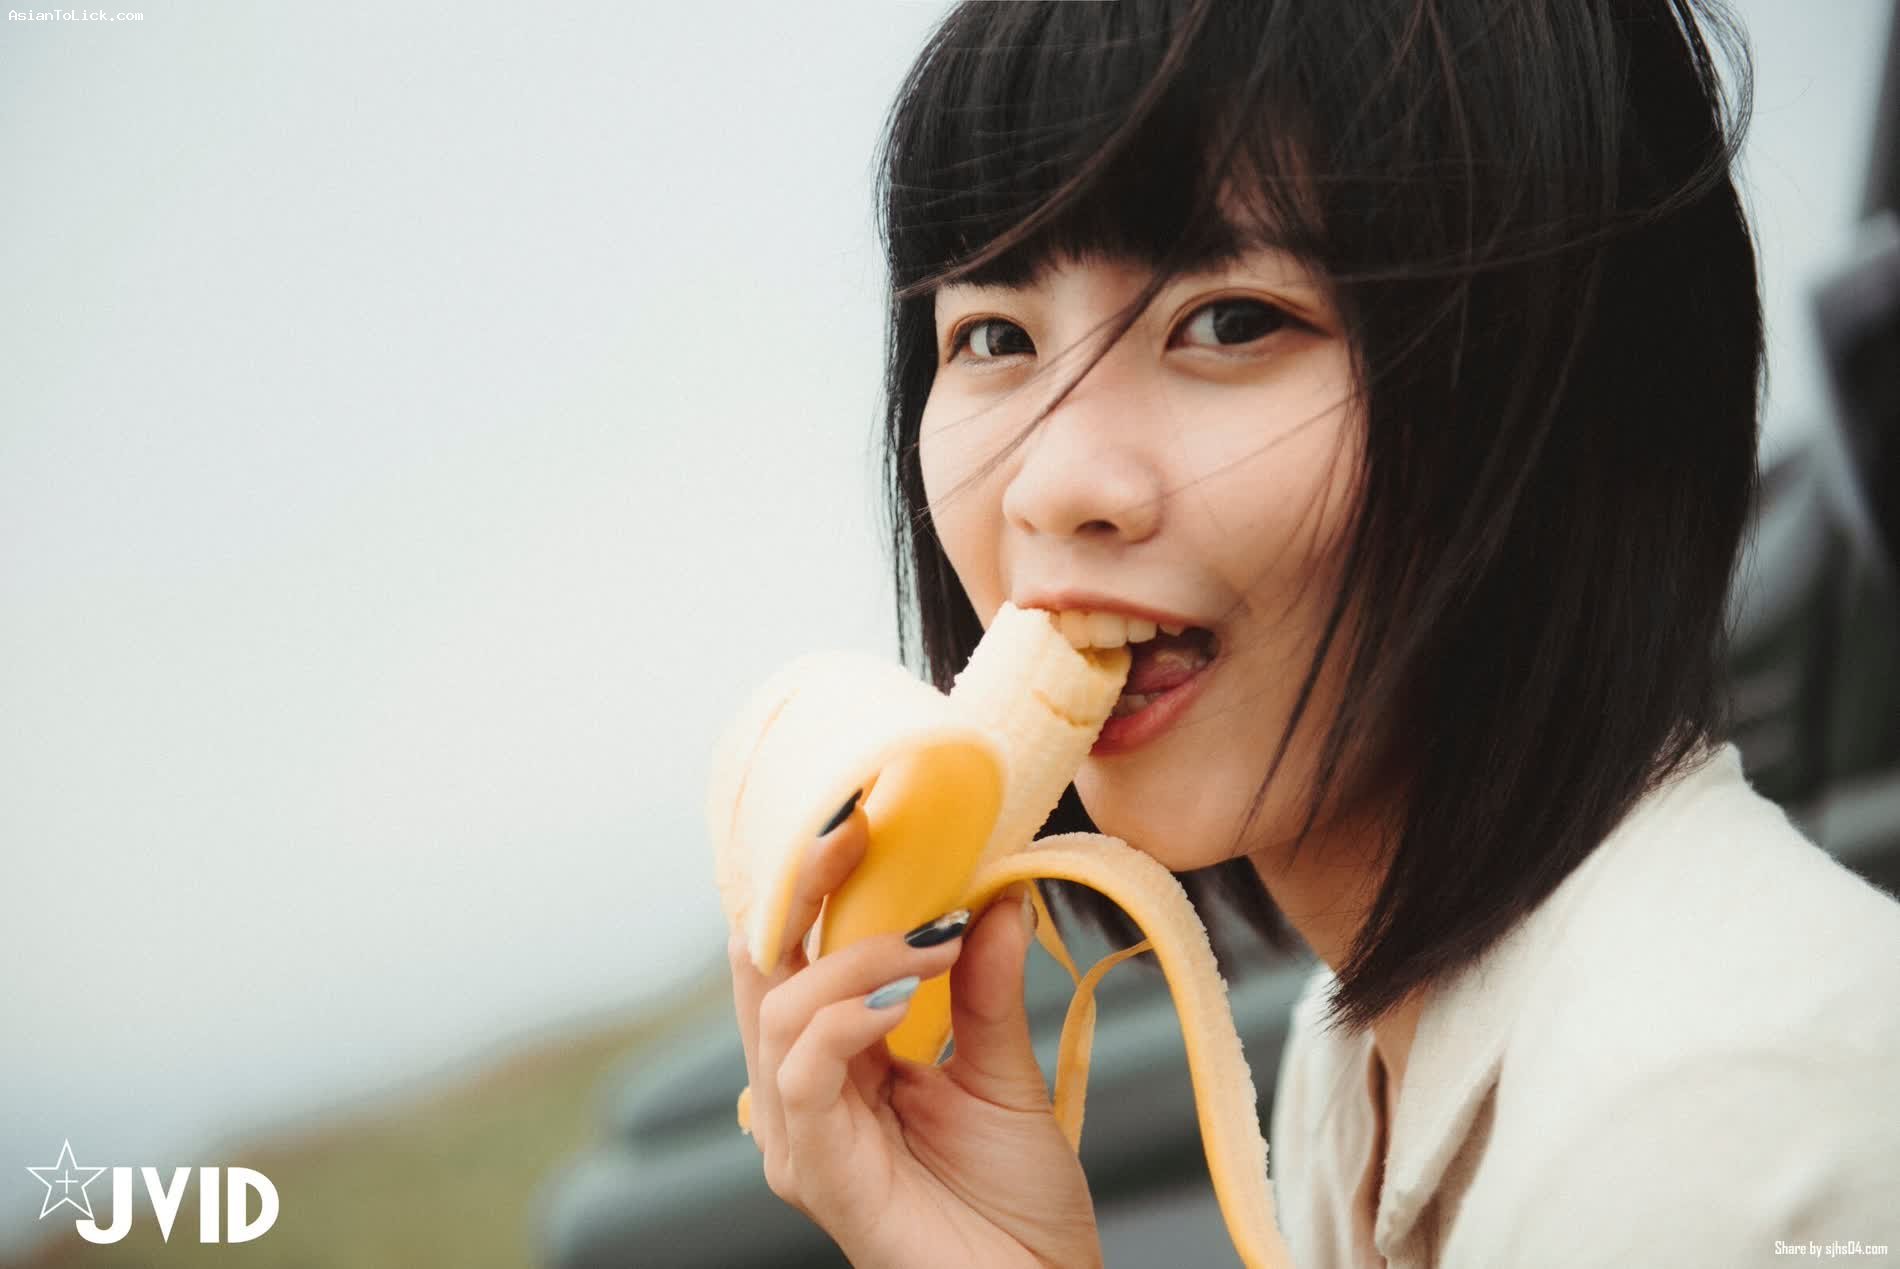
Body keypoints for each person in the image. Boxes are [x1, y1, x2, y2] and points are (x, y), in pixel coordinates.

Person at [726, 1, 1900, 1265]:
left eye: (1230, 321)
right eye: (994, 336)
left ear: (1554, 394)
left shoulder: (1708, 1140)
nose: (1051, 486)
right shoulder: (1353, 1068)